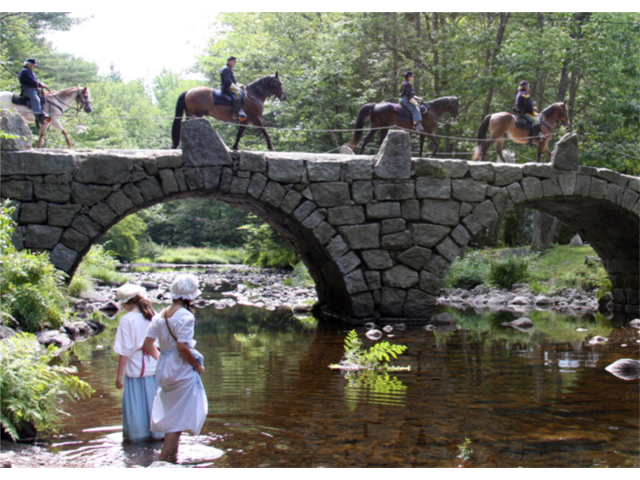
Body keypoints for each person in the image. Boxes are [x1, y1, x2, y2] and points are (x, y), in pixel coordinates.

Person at [144, 274, 208, 462]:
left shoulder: (160, 315)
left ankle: (173, 460)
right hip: (180, 369)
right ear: (189, 296)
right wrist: (197, 366)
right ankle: (161, 462)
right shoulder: (185, 316)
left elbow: (147, 345)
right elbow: (182, 347)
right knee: (178, 420)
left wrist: (163, 359)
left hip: (163, 367)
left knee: (173, 412)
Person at [113, 284, 163, 443]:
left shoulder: (127, 320)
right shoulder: (153, 315)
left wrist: (119, 375)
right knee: (156, 404)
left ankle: (137, 439)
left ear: (126, 303)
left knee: (137, 407)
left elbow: (124, 350)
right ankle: (159, 436)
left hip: (136, 370)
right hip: (155, 366)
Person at [18, 58, 50, 128]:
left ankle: (43, 111)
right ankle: (38, 116)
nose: (34, 66)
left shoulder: (30, 71)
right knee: (36, 99)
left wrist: (41, 85)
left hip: (34, 89)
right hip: (28, 89)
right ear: (28, 64)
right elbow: (31, 81)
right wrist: (41, 85)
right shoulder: (25, 71)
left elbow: (35, 81)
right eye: (33, 65)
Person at [514, 80, 545, 144]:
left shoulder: (521, 93)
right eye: (528, 86)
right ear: (525, 87)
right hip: (523, 113)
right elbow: (528, 106)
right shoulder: (525, 94)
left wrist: (532, 106)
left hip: (521, 111)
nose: (528, 87)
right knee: (536, 120)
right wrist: (532, 110)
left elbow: (527, 104)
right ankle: (534, 137)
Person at [220, 56, 246, 122]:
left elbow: (232, 80)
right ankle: (235, 113)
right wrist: (236, 87)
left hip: (230, 85)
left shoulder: (228, 68)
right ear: (229, 61)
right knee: (238, 94)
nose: (235, 63)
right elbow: (227, 81)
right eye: (234, 62)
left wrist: (238, 85)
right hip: (227, 87)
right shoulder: (227, 69)